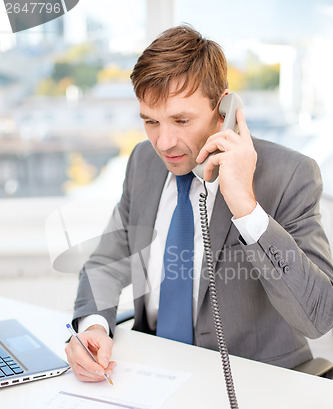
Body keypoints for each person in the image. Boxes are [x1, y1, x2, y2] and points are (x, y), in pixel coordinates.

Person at [65, 25, 333, 382]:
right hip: (155, 371)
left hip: (256, 381)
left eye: (181, 120)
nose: (164, 142)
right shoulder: (144, 162)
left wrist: (247, 209)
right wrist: (94, 327)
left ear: (223, 108)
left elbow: (318, 317)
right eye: (150, 121)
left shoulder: (289, 174)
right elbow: (107, 261)